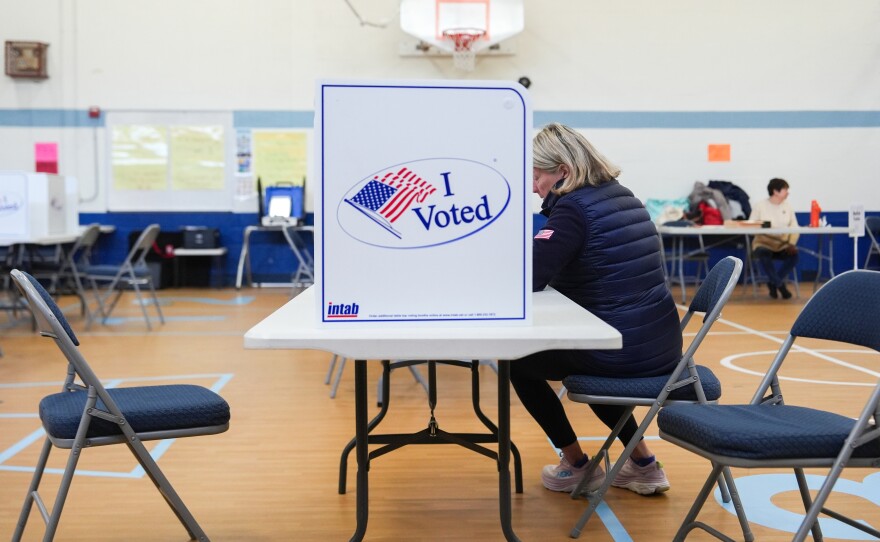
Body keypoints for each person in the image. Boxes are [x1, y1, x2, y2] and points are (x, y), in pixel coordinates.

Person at [512, 123, 681, 496]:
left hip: (622, 350)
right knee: (588, 356)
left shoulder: (573, 209)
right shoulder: (620, 195)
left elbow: (531, 277)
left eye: (537, 175)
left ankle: (575, 465)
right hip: (659, 346)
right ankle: (643, 464)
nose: (533, 185)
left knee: (519, 364)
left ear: (564, 172)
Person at [749, 178, 799, 299]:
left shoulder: (788, 207)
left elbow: (795, 228)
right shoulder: (759, 206)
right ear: (775, 191)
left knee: (794, 256)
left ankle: (773, 282)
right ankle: (780, 285)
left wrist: (791, 243)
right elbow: (751, 226)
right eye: (785, 189)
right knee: (764, 254)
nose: (788, 192)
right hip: (763, 243)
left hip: (782, 244)